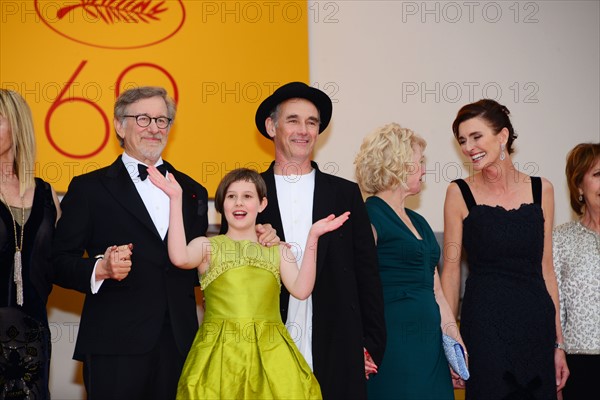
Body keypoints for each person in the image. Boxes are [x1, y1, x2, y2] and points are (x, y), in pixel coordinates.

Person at [51, 86, 277, 400]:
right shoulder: (90, 189)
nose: (155, 128)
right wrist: (100, 268)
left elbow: (218, 252)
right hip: (115, 345)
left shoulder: (193, 191)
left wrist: (261, 235)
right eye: (143, 119)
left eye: (162, 120)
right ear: (119, 125)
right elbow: (57, 261)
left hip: (181, 344)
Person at [221, 81, 386, 399]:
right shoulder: (247, 195)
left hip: (336, 343)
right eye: (293, 120)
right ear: (271, 126)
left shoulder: (344, 194)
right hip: (265, 344)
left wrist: (371, 343)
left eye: (312, 122)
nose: (304, 130)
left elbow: (367, 274)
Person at [148, 166, 349, 399]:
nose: (239, 203)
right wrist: (175, 199)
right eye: (231, 196)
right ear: (222, 204)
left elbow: (302, 290)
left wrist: (313, 237)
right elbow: (179, 256)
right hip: (219, 358)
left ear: (262, 204)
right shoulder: (207, 247)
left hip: (272, 357)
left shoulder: (279, 250)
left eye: (247, 196)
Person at [440, 99, 569, 399]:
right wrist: (450, 340)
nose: (468, 147)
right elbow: (450, 271)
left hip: (536, 326)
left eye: (476, 137)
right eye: (462, 141)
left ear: (503, 136)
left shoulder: (543, 190)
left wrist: (559, 344)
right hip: (485, 328)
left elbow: (546, 270)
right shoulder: (458, 192)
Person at [354, 123, 463, 399]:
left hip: (431, 348)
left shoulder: (419, 222)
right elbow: (352, 288)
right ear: (397, 165)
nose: (424, 169)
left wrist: (454, 343)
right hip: (393, 345)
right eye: (419, 161)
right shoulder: (369, 217)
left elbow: (436, 291)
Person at [0, 89, 61, 400]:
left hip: (32, 335)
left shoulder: (47, 196)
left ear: (17, 125)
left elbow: (61, 262)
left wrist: (102, 266)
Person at [552, 142, 600, 399]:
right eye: (597, 175)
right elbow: (553, 307)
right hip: (579, 366)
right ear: (579, 185)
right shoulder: (559, 239)